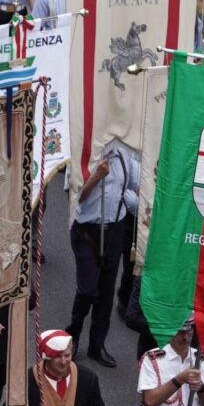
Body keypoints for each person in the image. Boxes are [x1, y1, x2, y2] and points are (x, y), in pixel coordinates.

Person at [68, 142, 137, 367]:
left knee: (106, 294)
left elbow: (138, 188)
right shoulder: (82, 153)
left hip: (114, 230)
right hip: (87, 231)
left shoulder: (125, 156)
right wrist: (96, 175)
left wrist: (128, 199)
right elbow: (75, 197)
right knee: (87, 290)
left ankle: (97, 345)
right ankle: (73, 335)